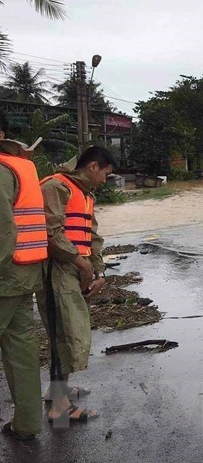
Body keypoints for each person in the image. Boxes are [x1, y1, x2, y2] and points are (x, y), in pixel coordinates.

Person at [39, 146, 116, 426]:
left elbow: (92, 236)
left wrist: (99, 271)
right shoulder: (56, 186)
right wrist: (81, 264)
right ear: (93, 167)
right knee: (65, 334)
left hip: (75, 269)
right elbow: (51, 232)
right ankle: (59, 410)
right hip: (56, 270)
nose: (106, 180)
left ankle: (56, 390)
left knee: (68, 332)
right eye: (106, 174)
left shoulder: (85, 195)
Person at [0, 111, 47, 441]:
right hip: (26, 272)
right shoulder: (24, 167)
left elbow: (3, 232)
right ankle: (27, 424)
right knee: (21, 351)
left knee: (21, 350)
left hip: (4, 274)